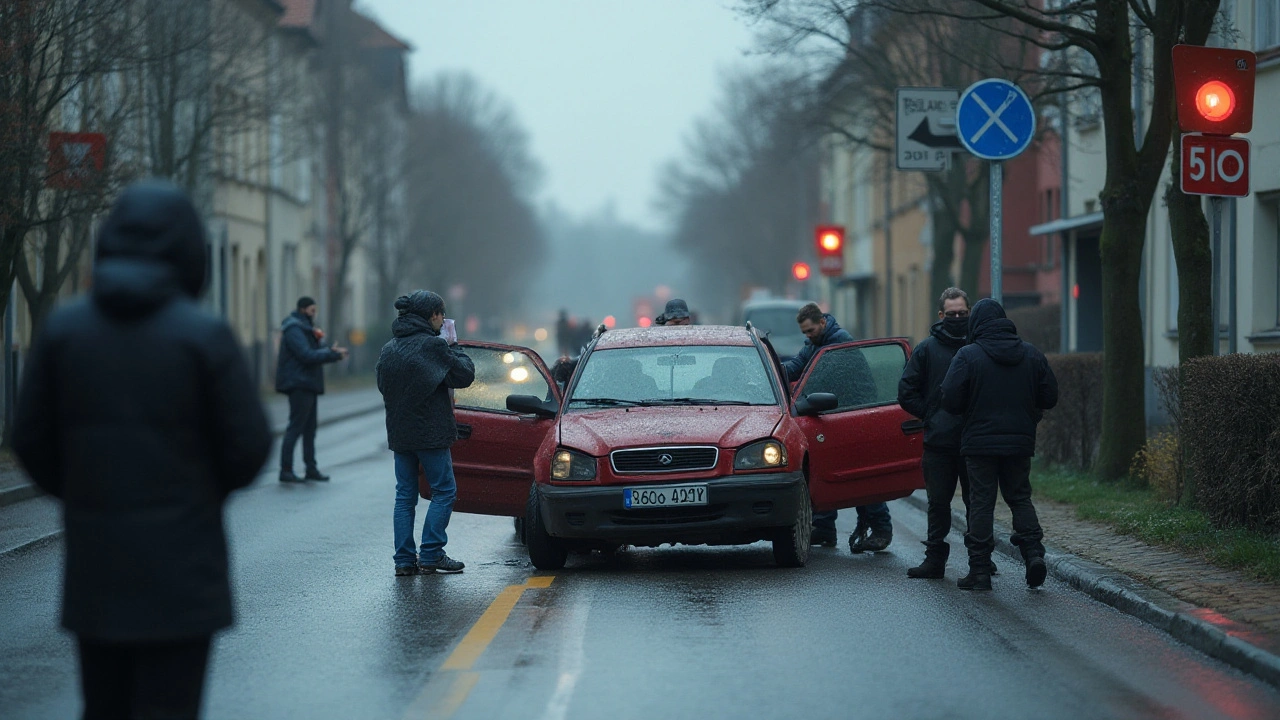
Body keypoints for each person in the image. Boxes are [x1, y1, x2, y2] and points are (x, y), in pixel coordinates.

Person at [12, 179, 273, 719]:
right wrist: (198, 493)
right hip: (185, 576)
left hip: (96, 572)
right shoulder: (205, 336)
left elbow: (30, 440)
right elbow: (248, 447)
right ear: (189, 252)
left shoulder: (65, 331)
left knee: (103, 707)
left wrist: (83, 488)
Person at [940, 298, 1058, 591]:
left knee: (981, 503)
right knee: (1019, 497)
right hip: (1019, 442)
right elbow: (1050, 397)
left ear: (976, 323)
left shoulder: (968, 355)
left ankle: (979, 571)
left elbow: (950, 399)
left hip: (979, 445)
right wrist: (1030, 413)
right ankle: (1033, 555)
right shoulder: (1031, 354)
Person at [376, 290, 476, 576]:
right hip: (431, 434)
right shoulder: (434, 347)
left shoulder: (389, 348)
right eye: (441, 314)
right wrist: (452, 343)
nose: (443, 319)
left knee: (405, 496)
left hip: (400, 433)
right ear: (432, 315)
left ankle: (404, 561)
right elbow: (465, 374)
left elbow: (384, 385)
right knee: (444, 491)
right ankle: (431, 553)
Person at [782, 303, 893, 552]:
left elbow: (819, 376)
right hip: (835, 415)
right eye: (804, 333)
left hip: (856, 416)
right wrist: (771, 370)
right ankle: (824, 528)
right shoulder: (816, 343)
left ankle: (881, 527)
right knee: (827, 470)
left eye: (810, 331)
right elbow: (797, 365)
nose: (807, 336)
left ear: (822, 322)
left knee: (861, 476)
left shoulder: (838, 343)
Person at [898, 287, 986, 578]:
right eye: (952, 314)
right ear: (941, 315)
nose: (958, 318)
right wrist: (932, 415)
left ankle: (982, 560)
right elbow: (906, 391)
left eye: (962, 313)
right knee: (938, 504)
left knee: (978, 503)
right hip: (939, 442)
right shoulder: (927, 349)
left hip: (975, 441)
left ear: (970, 313)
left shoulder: (982, 346)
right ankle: (934, 560)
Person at [275, 296, 348, 483]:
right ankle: (286, 469)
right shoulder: (293, 329)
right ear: (302, 309)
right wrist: (330, 354)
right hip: (299, 383)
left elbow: (316, 352)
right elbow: (306, 355)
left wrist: (332, 354)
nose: (314, 314)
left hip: (308, 383)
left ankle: (311, 468)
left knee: (310, 429)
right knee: (296, 427)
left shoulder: (306, 329)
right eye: (312, 310)